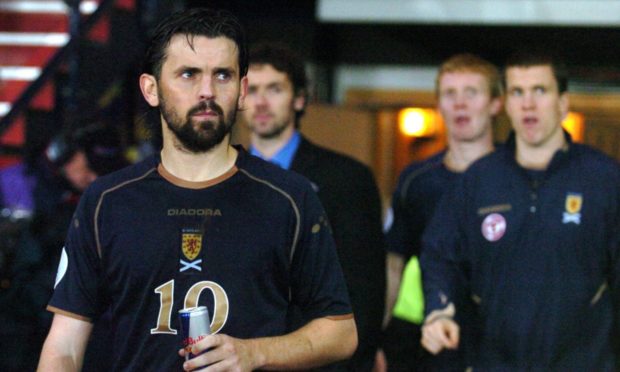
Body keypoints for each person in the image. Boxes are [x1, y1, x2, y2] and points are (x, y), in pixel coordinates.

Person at [37, 8, 357, 372]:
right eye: (188, 74)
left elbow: (341, 333)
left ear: (241, 91)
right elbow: (64, 346)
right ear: (151, 89)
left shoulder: (290, 198)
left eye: (223, 75)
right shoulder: (107, 202)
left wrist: (256, 353)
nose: (207, 91)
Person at [420, 50, 620, 370]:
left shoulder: (604, 177)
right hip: (494, 362)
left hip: (586, 363)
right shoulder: (478, 179)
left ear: (563, 103)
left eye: (540, 91)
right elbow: (440, 254)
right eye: (517, 92)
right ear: (507, 104)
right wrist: (439, 309)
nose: (528, 103)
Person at [242, 42, 385, 371]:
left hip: (323, 361)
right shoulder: (225, 177)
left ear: (300, 98)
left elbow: (364, 289)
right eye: (253, 90)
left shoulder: (346, 178)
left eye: (275, 89)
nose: (261, 102)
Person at [380, 54, 502, 371]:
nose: (460, 103)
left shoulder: (517, 176)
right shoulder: (417, 180)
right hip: (434, 338)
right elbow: (393, 266)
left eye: (471, 93)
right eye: (450, 94)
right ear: (439, 105)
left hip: (504, 341)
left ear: (495, 104)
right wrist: (373, 339)